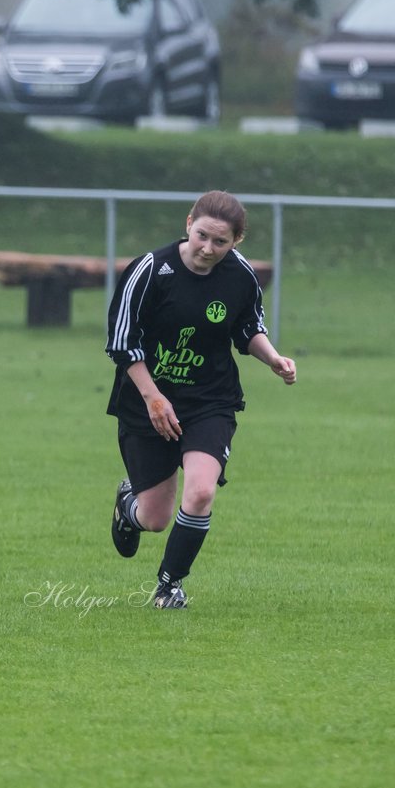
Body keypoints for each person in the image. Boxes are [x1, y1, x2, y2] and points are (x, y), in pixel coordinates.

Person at [105, 190, 296, 609]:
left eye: (221, 242)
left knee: (200, 493)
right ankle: (128, 504)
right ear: (188, 223)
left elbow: (248, 329)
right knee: (154, 518)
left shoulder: (240, 275)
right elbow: (122, 343)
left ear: (236, 242)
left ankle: (169, 585)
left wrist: (273, 358)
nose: (208, 249)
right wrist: (155, 398)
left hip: (210, 400)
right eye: (202, 236)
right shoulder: (151, 269)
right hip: (147, 402)